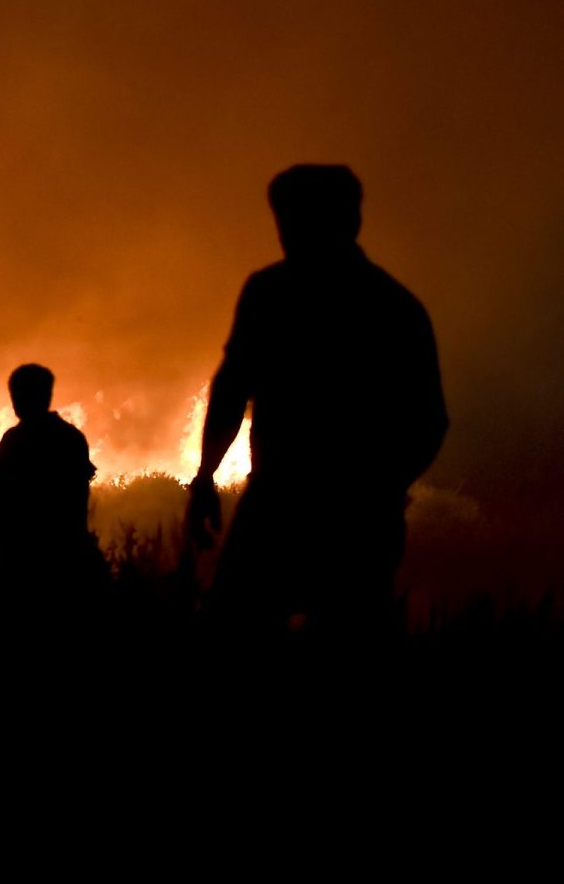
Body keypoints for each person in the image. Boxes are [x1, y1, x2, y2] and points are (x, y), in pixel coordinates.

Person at [187, 164, 447, 635]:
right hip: (352, 521)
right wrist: (382, 490)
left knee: (233, 632)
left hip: (283, 512)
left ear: (346, 221)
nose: (288, 234)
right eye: (284, 222)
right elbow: (430, 422)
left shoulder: (271, 293)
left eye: (297, 221)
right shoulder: (396, 305)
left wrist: (206, 476)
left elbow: (231, 388)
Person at [0, 364, 102, 601]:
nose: (15, 402)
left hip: (24, 558)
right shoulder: (72, 437)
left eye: (19, 394)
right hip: (70, 554)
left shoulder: (15, 440)